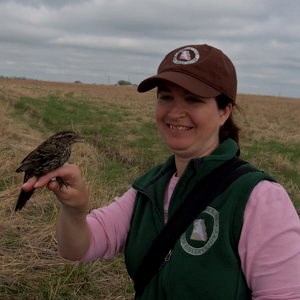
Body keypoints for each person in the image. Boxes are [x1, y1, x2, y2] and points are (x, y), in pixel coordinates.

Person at [22, 44, 300, 299]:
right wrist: (74, 210)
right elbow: (77, 249)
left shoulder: (260, 199)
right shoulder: (149, 188)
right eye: (166, 97)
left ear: (224, 111)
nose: (175, 112)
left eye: (193, 100)